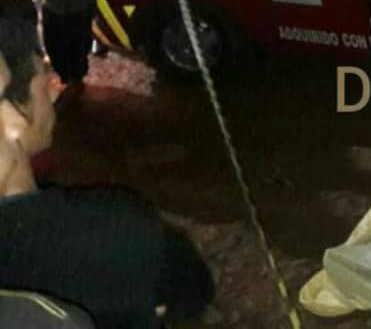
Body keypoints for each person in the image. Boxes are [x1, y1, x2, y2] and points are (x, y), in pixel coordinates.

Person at [0, 18, 215, 327]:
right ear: (11, 120)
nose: (55, 89)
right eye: (44, 80)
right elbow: (194, 291)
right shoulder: (115, 227)